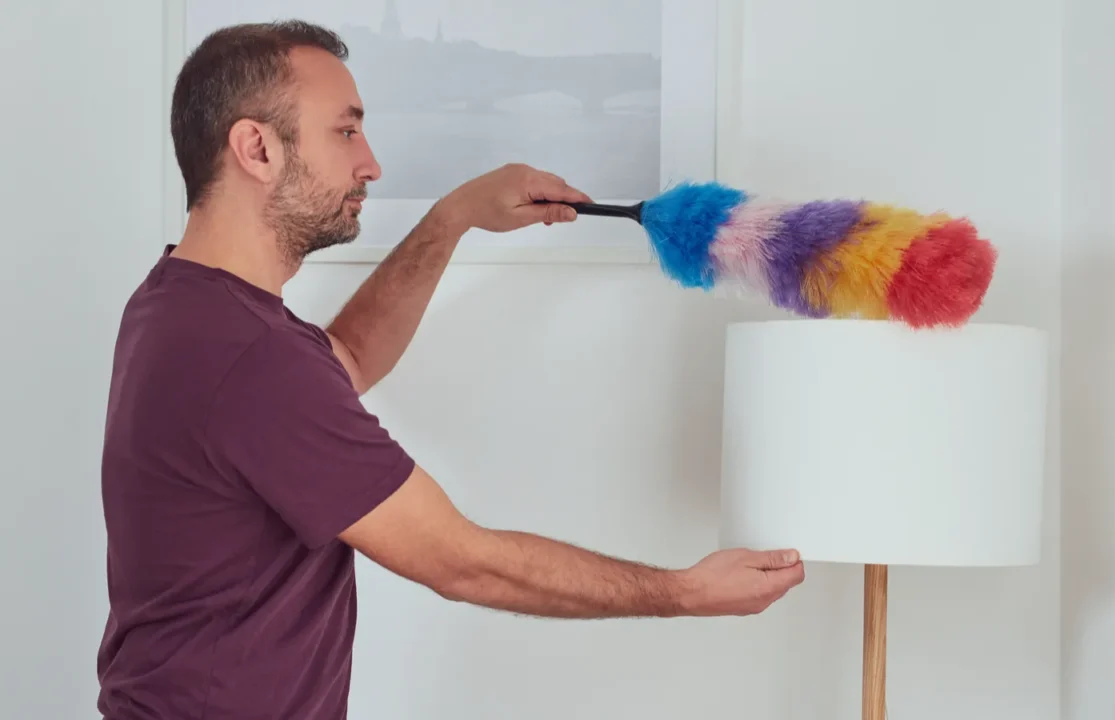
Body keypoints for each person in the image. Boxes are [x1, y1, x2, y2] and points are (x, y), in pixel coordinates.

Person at [96, 19, 805, 720]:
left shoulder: (183, 306)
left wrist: (453, 216)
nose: (369, 162)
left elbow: (345, 359)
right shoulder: (250, 358)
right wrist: (685, 592)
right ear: (256, 148)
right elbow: (461, 562)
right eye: (345, 131)